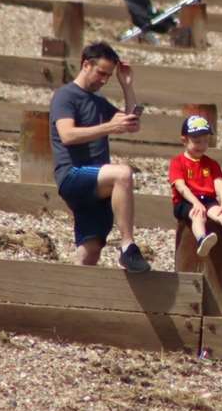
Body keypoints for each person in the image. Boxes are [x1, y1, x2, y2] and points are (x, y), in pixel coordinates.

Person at [48, 42, 149, 272]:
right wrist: (108, 128)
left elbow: (131, 125)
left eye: (108, 76)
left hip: (97, 180)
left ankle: (72, 295)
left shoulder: (99, 102)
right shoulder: (65, 96)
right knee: (123, 174)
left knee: (90, 251)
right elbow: (67, 135)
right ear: (86, 65)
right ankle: (127, 245)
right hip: (72, 175)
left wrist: (127, 86)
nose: (104, 80)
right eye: (101, 73)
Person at [168, 115, 222, 257]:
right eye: (197, 141)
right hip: (185, 201)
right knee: (198, 216)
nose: (202, 146)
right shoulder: (178, 162)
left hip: (207, 198)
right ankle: (202, 239)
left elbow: (219, 183)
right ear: (184, 140)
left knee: (219, 214)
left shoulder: (212, 163)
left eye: (206, 141)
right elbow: (180, 187)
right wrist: (195, 203)